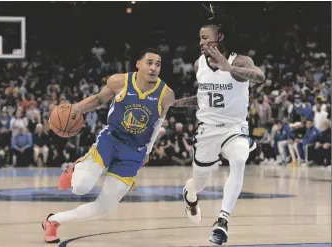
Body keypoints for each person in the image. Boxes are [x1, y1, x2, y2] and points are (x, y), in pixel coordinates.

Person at [42, 48, 175, 243]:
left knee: (103, 208)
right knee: (80, 187)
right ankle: (76, 167)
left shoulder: (166, 95)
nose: (154, 68)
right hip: (110, 141)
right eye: (150, 62)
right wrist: (75, 109)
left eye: (158, 64)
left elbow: (156, 125)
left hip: (134, 152)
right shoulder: (120, 81)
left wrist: (148, 149)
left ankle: (53, 221)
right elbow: (98, 100)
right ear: (138, 64)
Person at [172, 5, 265, 245]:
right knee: (199, 183)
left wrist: (230, 68)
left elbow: (260, 76)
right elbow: (203, 99)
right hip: (208, 131)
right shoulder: (198, 65)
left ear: (219, 37)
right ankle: (190, 195)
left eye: (205, 38)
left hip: (234, 128)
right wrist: (176, 103)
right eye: (200, 38)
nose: (201, 42)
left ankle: (222, 221)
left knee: (239, 159)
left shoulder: (240, 60)